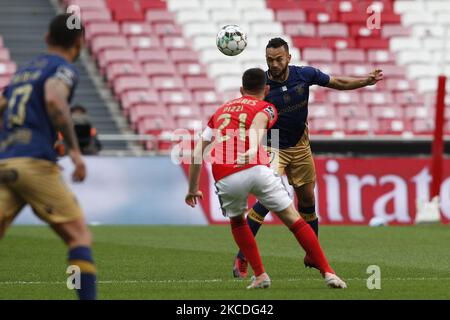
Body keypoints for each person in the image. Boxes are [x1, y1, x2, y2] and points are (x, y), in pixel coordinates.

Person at [233, 38, 384, 278]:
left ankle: (312, 255)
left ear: (289, 58)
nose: (273, 64)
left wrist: (365, 81)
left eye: (278, 59)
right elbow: (249, 110)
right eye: (269, 60)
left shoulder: (304, 75)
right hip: (274, 145)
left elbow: (337, 82)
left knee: (307, 201)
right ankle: (242, 257)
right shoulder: (263, 84)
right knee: (268, 197)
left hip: (301, 146)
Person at [185, 68, 347, 289]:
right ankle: (329, 273)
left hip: (225, 175)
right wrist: (252, 148)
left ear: (241, 90)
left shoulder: (220, 111)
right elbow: (258, 122)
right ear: (267, 89)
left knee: (237, 221)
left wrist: (193, 189)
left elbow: (196, 154)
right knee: (293, 218)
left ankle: (260, 274)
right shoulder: (267, 107)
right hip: (256, 167)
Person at [0, 14, 96, 300]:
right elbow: (54, 99)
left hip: (6, 162)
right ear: (79, 42)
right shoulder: (62, 69)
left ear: (46, 38)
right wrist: (75, 152)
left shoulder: (24, 71)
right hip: (35, 163)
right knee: (78, 237)